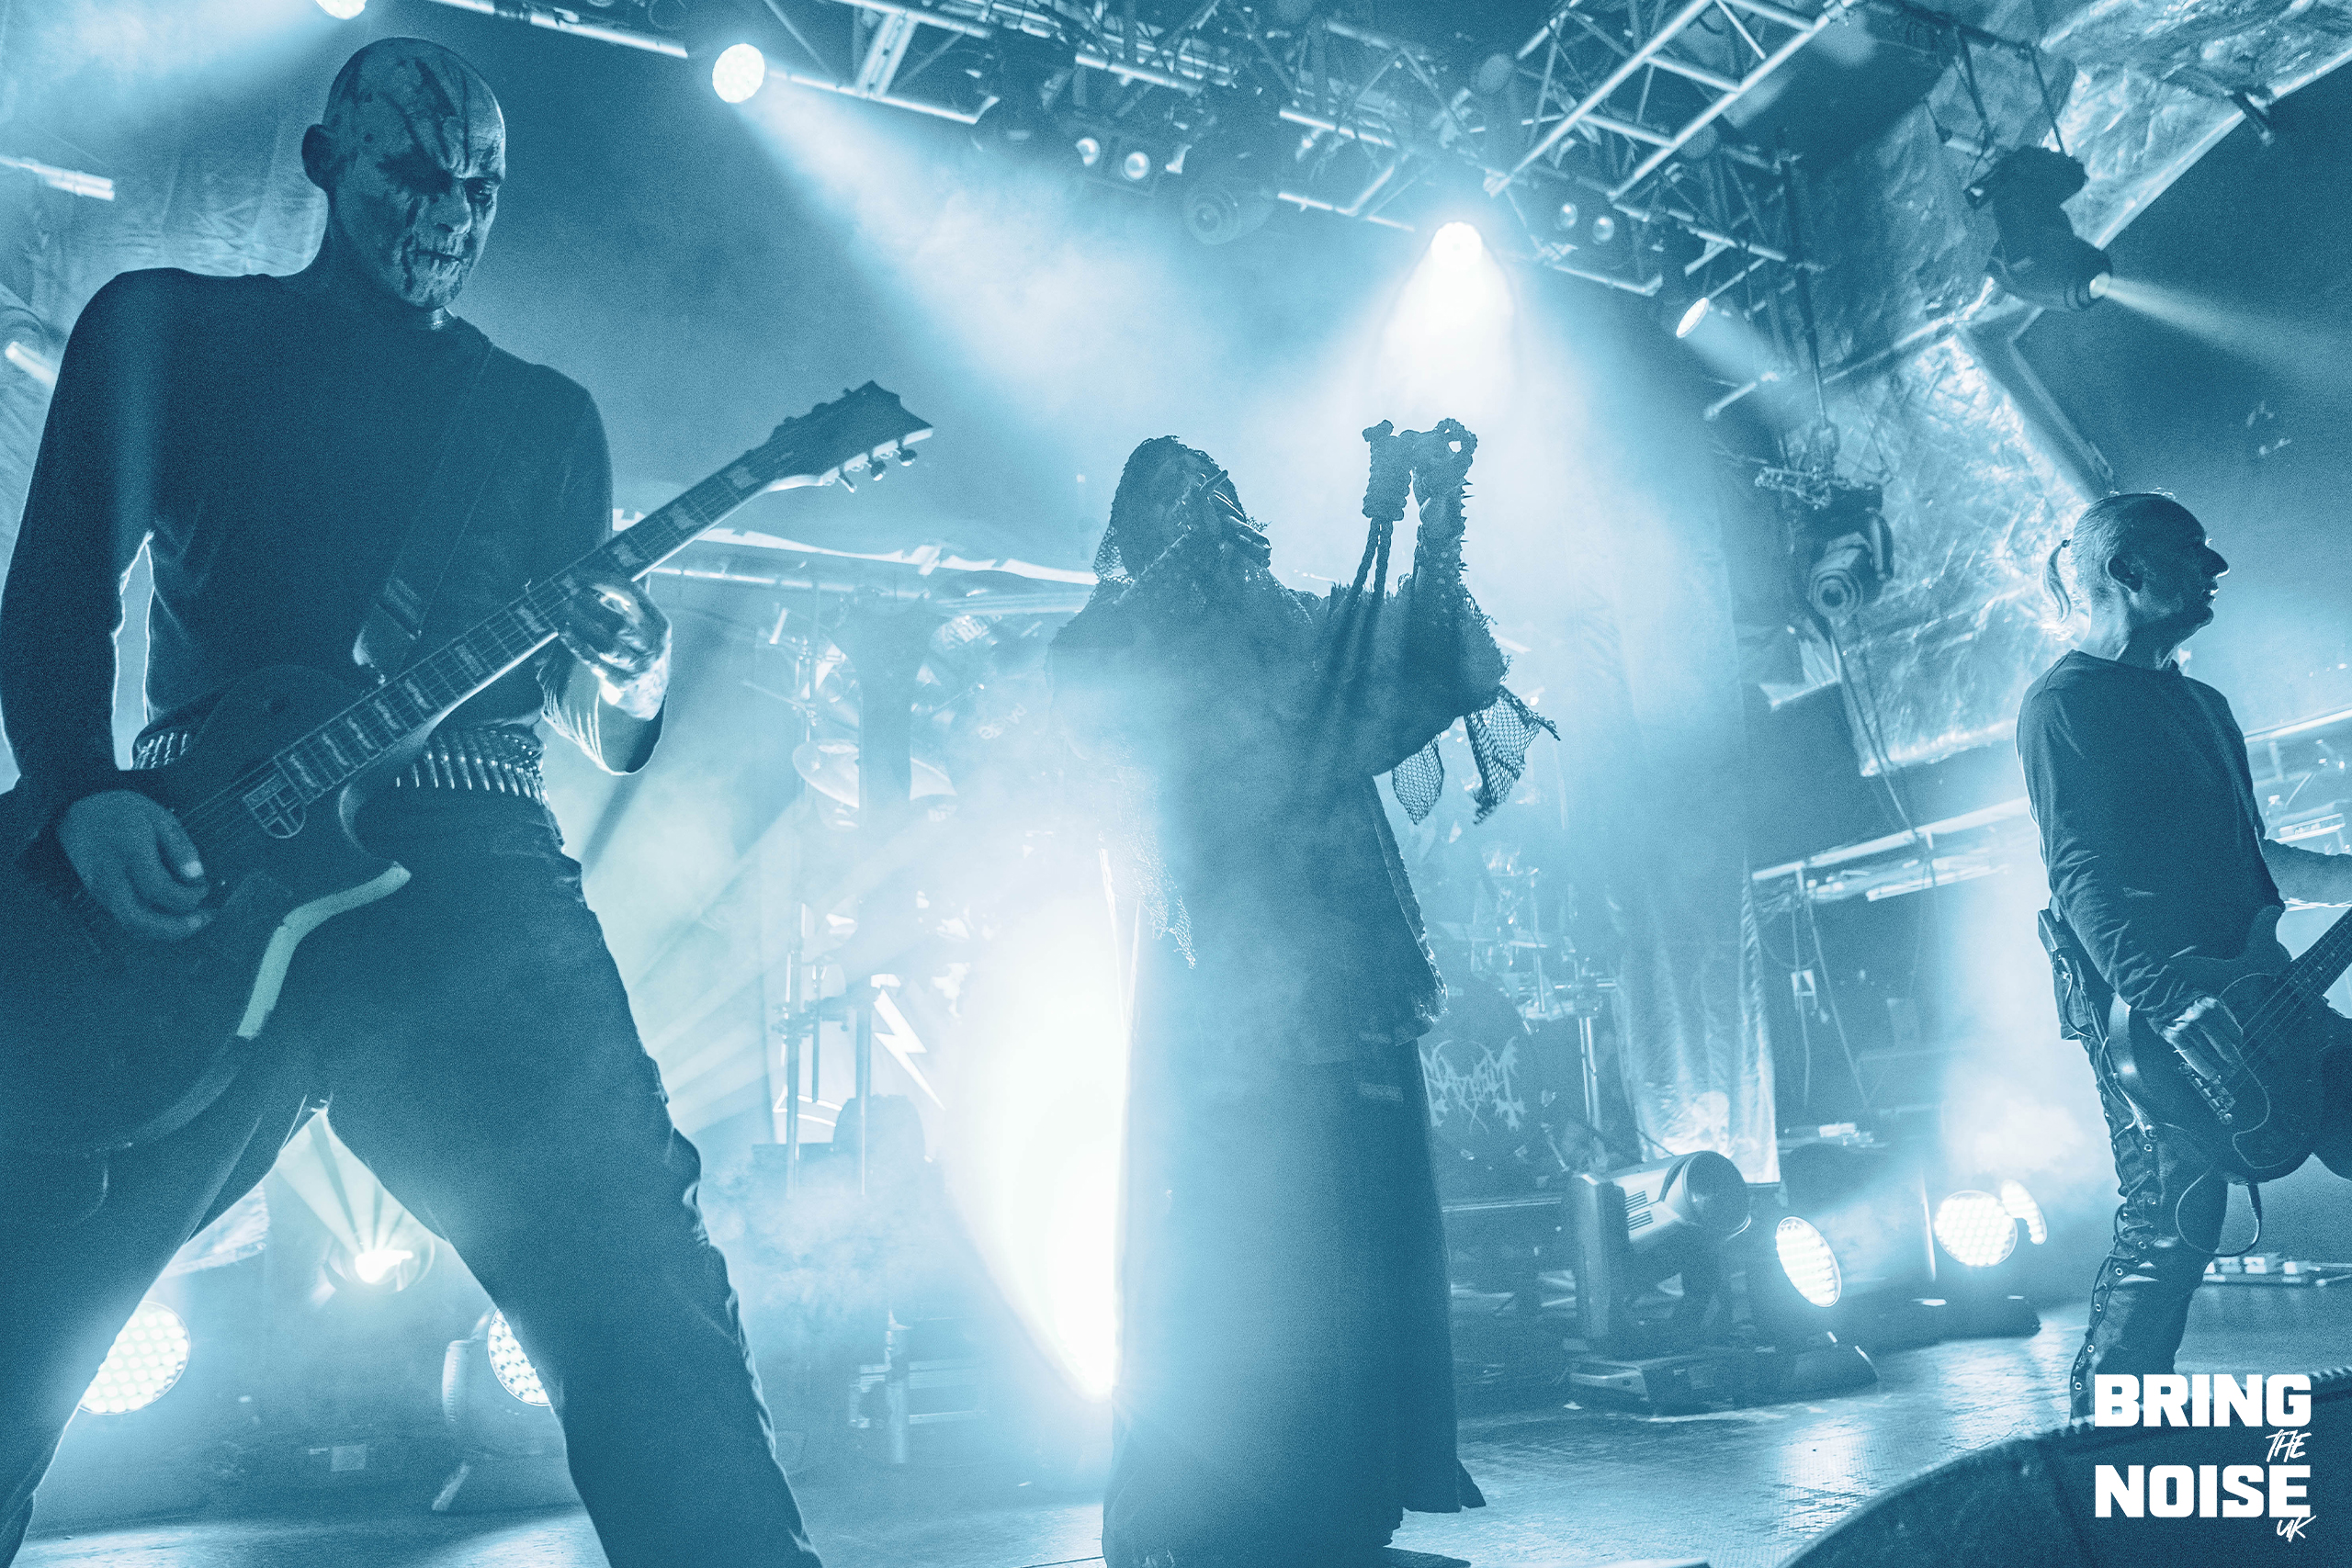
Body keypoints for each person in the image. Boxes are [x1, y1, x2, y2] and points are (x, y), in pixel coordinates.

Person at [0, 39, 820, 1566]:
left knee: (639, 1289)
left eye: (482, 189)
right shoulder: (171, 333)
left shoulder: (543, 419)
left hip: (470, 874)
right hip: (195, 866)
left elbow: (601, 726)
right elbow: (53, 592)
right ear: (324, 164)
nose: (449, 212)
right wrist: (79, 794)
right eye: (415, 175)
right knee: (21, 1297)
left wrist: (634, 667)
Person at [1052, 423, 1547, 1567]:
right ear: (1137, 529)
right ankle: (1224, 1506)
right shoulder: (1116, 643)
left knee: (1358, 1227)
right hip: (1222, 969)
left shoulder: (1304, 622)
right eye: (1177, 498)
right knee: (1242, 1237)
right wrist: (1184, 584)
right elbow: (1099, 705)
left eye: (1216, 489)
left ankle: (1347, 1498)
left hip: (1345, 954)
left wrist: (1433, 519)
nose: (1207, 510)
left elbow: (1433, 665)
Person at [2018, 491, 2352, 1421]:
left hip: (2261, 986)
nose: (2216, 569)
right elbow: (2080, 876)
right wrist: (2168, 1002)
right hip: (2154, 1015)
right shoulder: (2064, 705)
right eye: (2192, 551)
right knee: (2173, 1226)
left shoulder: (2204, 705)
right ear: (2128, 571)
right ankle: (2105, 1432)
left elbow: (2258, 858)